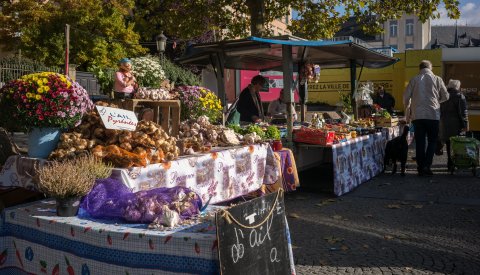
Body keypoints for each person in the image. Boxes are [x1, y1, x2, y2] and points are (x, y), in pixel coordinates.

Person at [403, 60, 449, 176]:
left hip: (417, 116)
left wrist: (409, 107)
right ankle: (427, 166)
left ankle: (420, 167)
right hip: (433, 115)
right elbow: (446, 96)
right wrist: (437, 102)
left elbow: (405, 97)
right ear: (430, 67)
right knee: (432, 141)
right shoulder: (437, 79)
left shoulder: (414, 79)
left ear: (420, 68)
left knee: (420, 142)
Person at [440, 79, 468, 170]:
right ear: (457, 86)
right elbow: (463, 113)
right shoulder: (460, 96)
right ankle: (455, 163)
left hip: (444, 123)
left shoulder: (443, 96)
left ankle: (450, 164)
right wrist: (465, 125)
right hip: (456, 125)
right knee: (456, 144)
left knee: (448, 144)